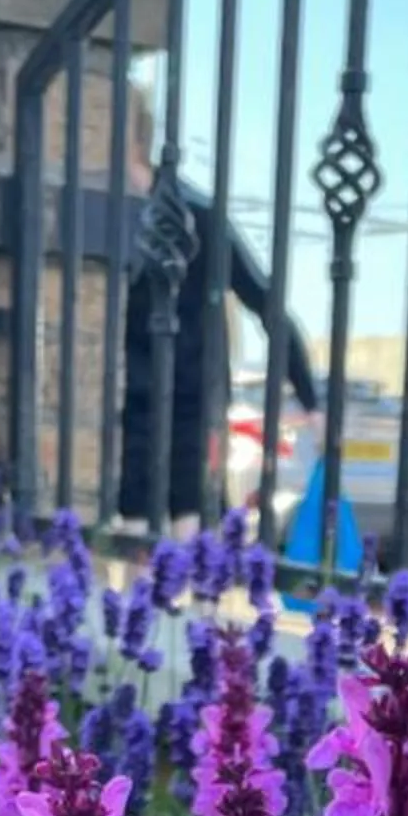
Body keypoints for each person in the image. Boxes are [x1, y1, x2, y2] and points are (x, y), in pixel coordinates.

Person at [115, 88, 318, 527]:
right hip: (122, 397)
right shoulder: (100, 211)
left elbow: (265, 302)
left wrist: (309, 397)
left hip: (190, 394)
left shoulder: (198, 216)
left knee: (189, 513)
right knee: (129, 515)